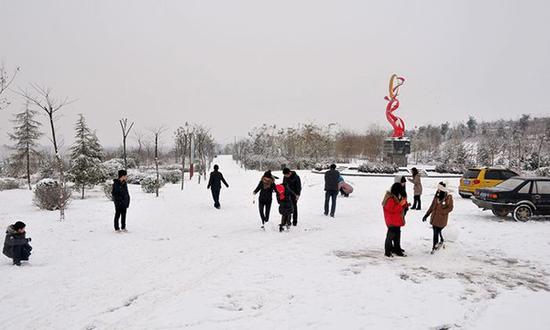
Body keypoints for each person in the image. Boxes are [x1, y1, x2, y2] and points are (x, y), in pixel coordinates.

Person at [423, 182, 454, 254]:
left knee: (441, 234)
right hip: (434, 219)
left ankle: (443, 248)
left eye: (439, 189)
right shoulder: (436, 196)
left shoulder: (448, 197)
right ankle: (434, 248)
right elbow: (432, 206)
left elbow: (450, 208)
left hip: (442, 220)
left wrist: (442, 211)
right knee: (435, 234)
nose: (438, 190)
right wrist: (426, 215)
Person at [382, 183, 408, 257]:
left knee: (397, 235)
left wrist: (405, 205)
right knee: (390, 236)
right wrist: (401, 205)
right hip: (392, 220)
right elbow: (392, 209)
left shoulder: (394, 196)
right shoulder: (389, 198)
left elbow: (398, 205)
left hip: (396, 219)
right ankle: (387, 251)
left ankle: (397, 249)